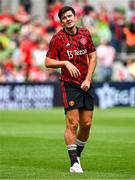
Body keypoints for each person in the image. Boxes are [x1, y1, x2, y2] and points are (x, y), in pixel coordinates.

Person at [45, 6, 97, 173]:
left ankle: (77, 157)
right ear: (61, 21)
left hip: (86, 84)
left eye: (70, 16)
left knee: (87, 124)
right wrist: (64, 62)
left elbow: (93, 56)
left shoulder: (85, 34)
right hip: (69, 84)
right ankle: (74, 163)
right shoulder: (57, 38)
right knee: (73, 123)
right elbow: (47, 62)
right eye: (64, 17)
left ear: (75, 17)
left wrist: (88, 78)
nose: (68, 19)